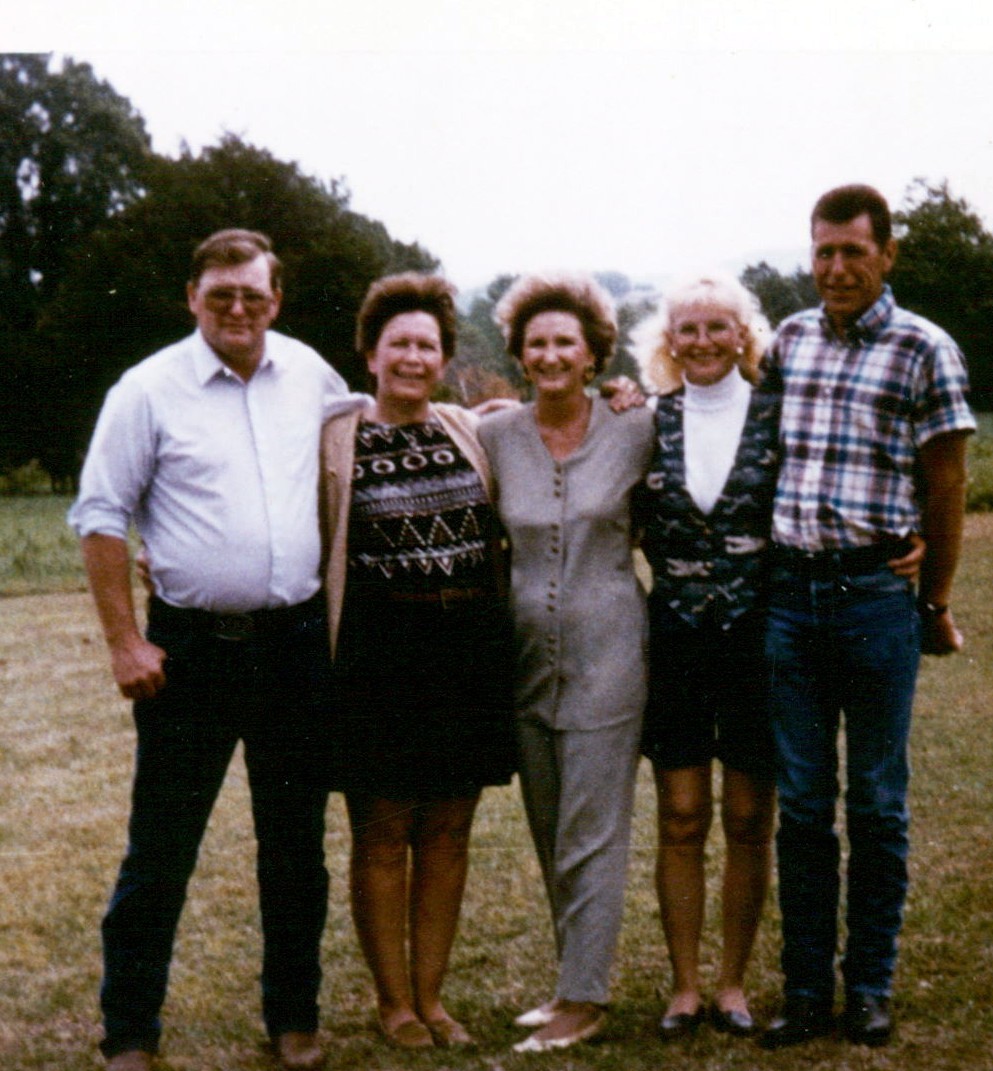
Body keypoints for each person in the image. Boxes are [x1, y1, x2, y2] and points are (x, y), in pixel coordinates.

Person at [69, 229, 357, 1071]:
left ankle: (294, 1019)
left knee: (295, 849)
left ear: (277, 300)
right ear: (192, 297)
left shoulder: (311, 374)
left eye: (253, 295)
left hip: (294, 647)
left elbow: (375, 428)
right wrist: (125, 641)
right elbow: (99, 514)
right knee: (162, 848)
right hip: (191, 652)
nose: (238, 308)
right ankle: (129, 1031)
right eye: (221, 294)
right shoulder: (147, 389)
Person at [759, 184, 976, 1051]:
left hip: (875, 599)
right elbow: (745, 438)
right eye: (824, 251)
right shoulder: (788, 340)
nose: (838, 267)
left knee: (878, 803)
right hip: (790, 597)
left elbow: (948, 482)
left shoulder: (925, 348)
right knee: (803, 805)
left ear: (888, 253)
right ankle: (806, 989)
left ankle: (871, 987)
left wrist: (936, 599)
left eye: (854, 251)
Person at [319, 272, 515, 1050]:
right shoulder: (334, 437)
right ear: (369, 354)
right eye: (397, 343)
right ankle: (394, 1002)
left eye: (426, 345)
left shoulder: (469, 429)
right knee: (382, 832)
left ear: (443, 358)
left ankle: (433, 997)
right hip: (377, 658)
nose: (411, 357)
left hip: (466, 654)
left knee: (448, 830)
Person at [478, 274, 655, 1053]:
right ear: (520, 355)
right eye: (536, 343)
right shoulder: (493, 434)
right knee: (550, 826)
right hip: (523, 658)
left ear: (592, 354)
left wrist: (636, 391)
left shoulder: (636, 425)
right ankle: (569, 981)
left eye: (565, 342)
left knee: (592, 829)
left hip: (609, 649)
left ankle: (585, 999)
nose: (550, 354)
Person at [632, 274, 780, 1040]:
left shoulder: (777, 413)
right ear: (670, 340)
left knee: (750, 817)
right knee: (682, 815)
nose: (702, 341)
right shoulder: (645, 419)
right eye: (687, 328)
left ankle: (733, 982)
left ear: (741, 333)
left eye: (717, 326)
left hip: (760, 641)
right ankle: (686, 985)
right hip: (678, 641)